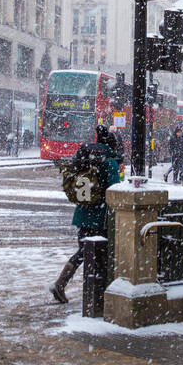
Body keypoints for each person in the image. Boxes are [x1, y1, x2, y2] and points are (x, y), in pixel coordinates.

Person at [51, 125, 122, 303]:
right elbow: (114, 190)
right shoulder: (109, 162)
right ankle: (97, 295)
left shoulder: (88, 158)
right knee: (99, 256)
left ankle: (64, 284)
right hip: (100, 218)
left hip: (82, 215)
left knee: (84, 252)